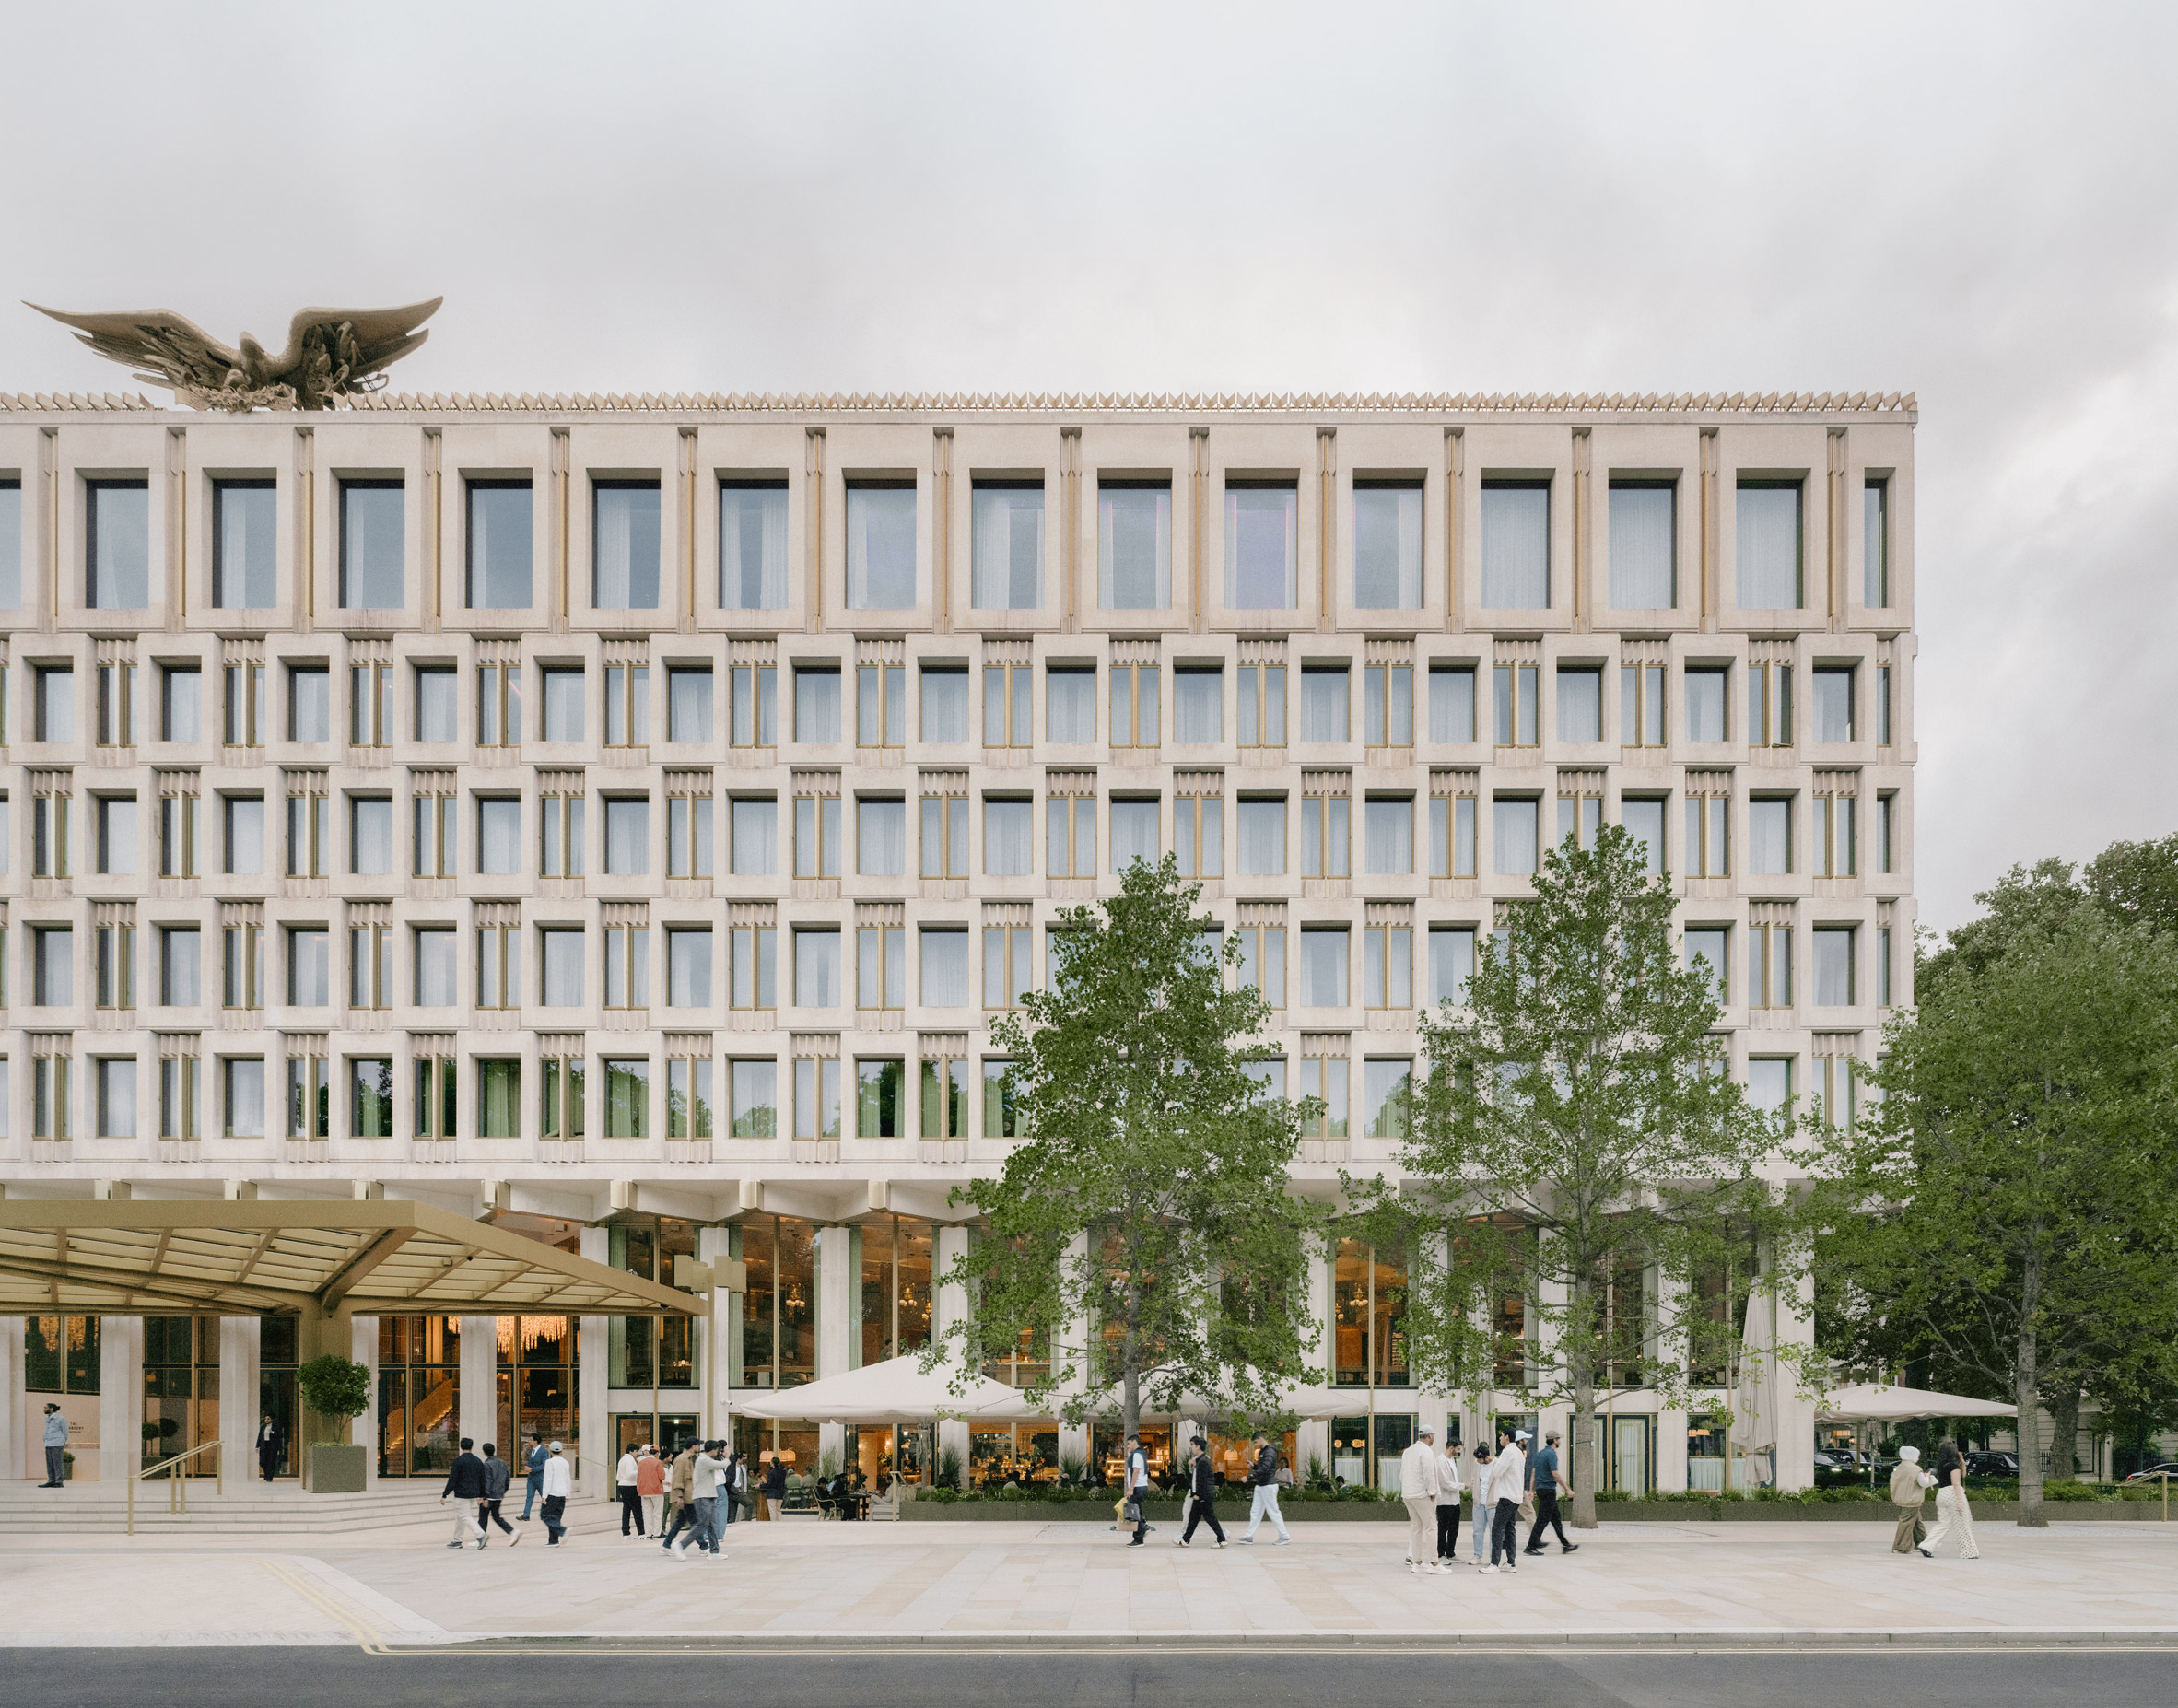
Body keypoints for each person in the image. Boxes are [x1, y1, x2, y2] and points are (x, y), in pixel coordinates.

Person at [1917, 1438, 1981, 1560]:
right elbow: (1957, 1483)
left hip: (1941, 1494)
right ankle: (1968, 1551)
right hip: (1953, 1495)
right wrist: (1961, 1501)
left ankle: (1927, 1545)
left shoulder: (1942, 1466)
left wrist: (1962, 1463)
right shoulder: (1953, 1466)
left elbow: (1962, 1475)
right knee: (1963, 1524)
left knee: (1943, 1524)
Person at [1524, 1430, 1578, 1556]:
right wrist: (1567, 1489)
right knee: (1542, 1520)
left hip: (1541, 1489)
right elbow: (1555, 1474)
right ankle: (1531, 1546)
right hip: (1548, 1490)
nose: (1559, 1441)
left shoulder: (1540, 1454)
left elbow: (1533, 1472)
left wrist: (1532, 1490)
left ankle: (1566, 1545)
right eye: (1558, 1439)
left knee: (1556, 1519)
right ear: (1554, 1440)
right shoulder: (1551, 1454)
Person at [1399, 1425, 1443, 1573]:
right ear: (1429, 1435)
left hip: (1408, 1494)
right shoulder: (1426, 1452)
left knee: (1416, 1528)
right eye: (1433, 1436)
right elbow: (1429, 1473)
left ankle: (1417, 1562)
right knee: (1431, 1527)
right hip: (1422, 1494)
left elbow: (1402, 1474)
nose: (1434, 1439)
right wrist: (1432, 1492)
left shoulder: (1409, 1451)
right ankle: (1434, 1563)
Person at [674, 1440, 728, 1559]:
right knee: (702, 1524)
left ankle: (714, 1552)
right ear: (714, 1450)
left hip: (709, 1495)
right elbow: (722, 1465)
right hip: (702, 1497)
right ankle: (681, 1545)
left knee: (712, 1525)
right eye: (718, 1450)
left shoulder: (705, 1459)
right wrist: (727, 1456)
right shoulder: (703, 1460)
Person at [1239, 1432, 1292, 1545]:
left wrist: (1249, 1476)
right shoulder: (1264, 1452)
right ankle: (1249, 1536)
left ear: (1261, 1438)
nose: (1256, 1444)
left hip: (1268, 1486)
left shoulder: (1270, 1451)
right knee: (1255, 1511)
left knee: (1273, 1511)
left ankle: (1285, 1536)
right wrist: (1254, 1466)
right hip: (1262, 1485)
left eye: (1256, 1442)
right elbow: (1264, 1467)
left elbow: (1266, 1468)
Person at [1484, 1428, 1526, 1573]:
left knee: (1497, 1528)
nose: (1500, 1438)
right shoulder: (1518, 1452)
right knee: (1510, 1529)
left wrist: (1495, 1461)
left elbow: (1496, 1472)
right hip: (1515, 1496)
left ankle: (1494, 1564)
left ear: (1507, 1437)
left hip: (1506, 1496)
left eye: (1501, 1436)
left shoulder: (1507, 1452)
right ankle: (1510, 1562)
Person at [1177, 1436, 1226, 1548]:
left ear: (1198, 1446)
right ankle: (1185, 1539)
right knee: (1194, 1518)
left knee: (1209, 1518)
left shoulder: (1203, 1461)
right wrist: (1191, 1465)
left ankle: (1222, 1539)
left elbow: (1202, 1480)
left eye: (1192, 1445)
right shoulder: (1200, 1460)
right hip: (1201, 1494)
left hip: (1203, 1495)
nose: (1191, 1448)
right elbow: (1195, 1477)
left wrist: (1198, 1494)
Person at [440, 1437, 488, 1550]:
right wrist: (482, 1495)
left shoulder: (458, 1461)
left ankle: (480, 1534)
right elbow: (483, 1480)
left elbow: (452, 1479)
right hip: (474, 1494)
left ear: (461, 1446)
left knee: (464, 1516)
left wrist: (445, 1494)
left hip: (461, 1494)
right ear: (471, 1446)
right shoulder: (478, 1461)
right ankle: (457, 1540)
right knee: (460, 1517)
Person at [1890, 1445, 1936, 1554]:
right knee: (1906, 1522)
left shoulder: (1900, 1467)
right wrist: (1929, 1477)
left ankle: (1922, 1542)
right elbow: (1923, 1483)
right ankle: (1901, 1546)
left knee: (1916, 1522)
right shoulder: (1915, 1469)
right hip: (1912, 1500)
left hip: (1902, 1499)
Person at [658, 1442, 702, 1551]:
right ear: (693, 1446)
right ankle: (704, 1546)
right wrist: (680, 1496)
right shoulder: (681, 1460)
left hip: (691, 1495)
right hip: (685, 1496)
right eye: (698, 1445)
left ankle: (666, 1544)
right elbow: (677, 1479)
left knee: (680, 1522)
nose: (699, 1448)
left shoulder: (693, 1458)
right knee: (694, 1522)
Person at [478, 1443, 519, 1545]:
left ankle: (481, 1538)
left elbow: (488, 1481)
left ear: (484, 1452)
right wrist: (504, 1490)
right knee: (496, 1516)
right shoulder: (502, 1463)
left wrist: (484, 1496)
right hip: (499, 1494)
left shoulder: (486, 1464)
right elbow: (507, 1478)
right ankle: (512, 1531)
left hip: (490, 1495)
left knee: (483, 1517)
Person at [1434, 1434, 1465, 1567]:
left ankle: (1450, 1552)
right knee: (1443, 1529)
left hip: (1454, 1501)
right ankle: (1441, 1554)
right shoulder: (1441, 1461)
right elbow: (1445, 1483)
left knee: (1454, 1529)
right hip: (1444, 1502)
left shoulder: (1452, 1460)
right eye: (1457, 1449)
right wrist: (1462, 1486)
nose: (1458, 1452)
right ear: (1451, 1448)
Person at [539, 1440, 573, 1545]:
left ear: (550, 1450)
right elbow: (568, 1479)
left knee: (545, 1515)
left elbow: (548, 1479)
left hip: (552, 1493)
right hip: (562, 1494)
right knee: (555, 1517)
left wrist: (544, 1495)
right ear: (561, 1450)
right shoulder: (565, 1462)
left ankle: (562, 1530)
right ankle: (553, 1541)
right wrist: (568, 1493)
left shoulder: (549, 1462)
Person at [1122, 1433, 1152, 1546]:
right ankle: (1144, 1528)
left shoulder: (1137, 1455)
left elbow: (1136, 1471)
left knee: (1134, 1513)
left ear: (1135, 1442)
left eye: (1129, 1443)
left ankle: (1139, 1539)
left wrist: (1131, 1488)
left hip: (1138, 1487)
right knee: (1137, 1511)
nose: (1127, 1446)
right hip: (1141, 1486)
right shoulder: (1140, 1453)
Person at [1468, 1444, 1494, 1565]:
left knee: (1494, 1531)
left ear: (1486, 1458)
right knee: (1477, 1530)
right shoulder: (1477, 1464)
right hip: (1479, 1502)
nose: (1477, 1461)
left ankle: (1494, 1556)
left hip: (1492, 1502)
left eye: (1479, 1459)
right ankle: (1477, 1555)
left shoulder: (1496, 1464)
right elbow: (1475, 1479)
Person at [638, 1445, 668, 1538]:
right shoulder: (658, 1462)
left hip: (644, 1490)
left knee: (647, 1513)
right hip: (656, 1490)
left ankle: (648, 1533)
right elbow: (662, 1477)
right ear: (657, 1453)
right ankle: (657, 1533)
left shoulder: (641, 1462)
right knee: (657, 1513)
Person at [616, 1445, 645, 1539]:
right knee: (637, 1509)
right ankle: (641, 1532)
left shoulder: (622, 1460)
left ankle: (626, 1532)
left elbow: (618, 1476)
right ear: (632, 1451)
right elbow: (630, 1474)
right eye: (637, 1451)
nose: (637, 1454)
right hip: (630, 1485)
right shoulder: (630, 1460)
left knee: (626, 1509)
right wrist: (640, 1470)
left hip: (622, 1484)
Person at [519, 1431, 546, 1521]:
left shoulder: (544, 1451)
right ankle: (526, 1515)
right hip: (531, 1478)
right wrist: (528, 1468)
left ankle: (549, 1514)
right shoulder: (531, 1451)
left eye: (530, 1440)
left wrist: (532, 1469)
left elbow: (544, 1465)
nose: (529, 1441)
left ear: (535, 1441)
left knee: (544, 1496)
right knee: (529, 1497)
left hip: (540, 1478)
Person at [40, 1402, 68, 1487]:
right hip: (48, 1444)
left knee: (57, 1463)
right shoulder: (47, 1418)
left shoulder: (60, 1418)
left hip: (57, 1443)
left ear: (51, 1408)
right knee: (49, 1463)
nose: (44, 1409)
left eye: (45, 1408)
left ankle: (58, 1482)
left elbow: (65, 1432)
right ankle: (51, 1480)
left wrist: (62, 1441)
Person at [255, 1412, 285, 1483]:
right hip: (264, 1445)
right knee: (262, 1461)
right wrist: (257, 1446)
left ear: (272, 1420)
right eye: (266, 1419)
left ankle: (269, 1477)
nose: (266, 1420)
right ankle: (267, 1473)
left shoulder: (275, 1426)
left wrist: (272, 1432)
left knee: (271, 1462)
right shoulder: (263, 1427)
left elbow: (280, 1435)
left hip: (272, 1446)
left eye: (268, 1419)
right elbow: (259, 1437)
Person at [762, 1452, 786, 1521]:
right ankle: (781, 1525)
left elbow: (769, 1484)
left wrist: (760, 1485)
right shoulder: (783, 1472)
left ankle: (774, 1525)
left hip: (772, 1494)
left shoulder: (772, 1472)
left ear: (772, 1463)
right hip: (780, 1493)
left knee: (772, 1511)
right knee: (778, 1511)